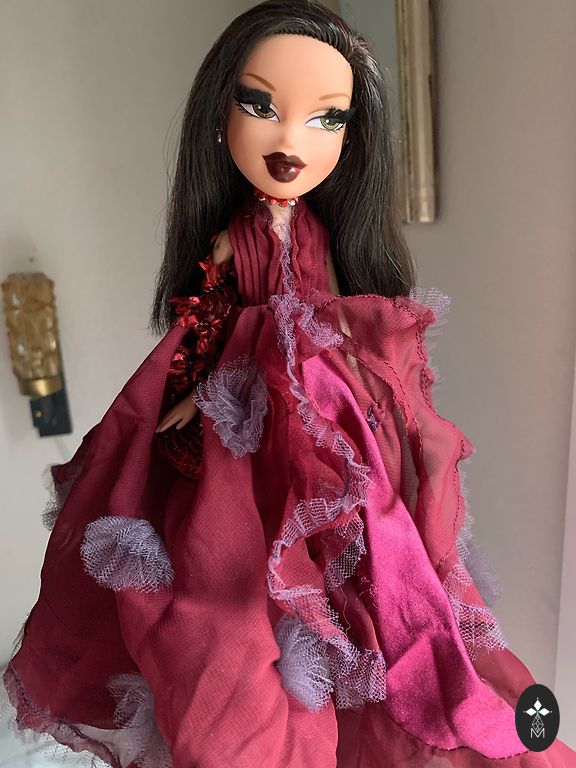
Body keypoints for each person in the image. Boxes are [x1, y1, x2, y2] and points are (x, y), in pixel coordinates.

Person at [3, 1, 575, 766]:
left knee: (367, 559)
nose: (290, 138)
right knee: (229, 576)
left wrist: (364, 389)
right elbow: (205, 317)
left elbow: (335, 306)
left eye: (326, 117)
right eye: (261, 105)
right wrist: (195, 394)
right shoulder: (233, 236)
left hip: (321, 398)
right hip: (246, 408)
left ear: (351, 136)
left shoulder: (319, 233)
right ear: (220, 114)